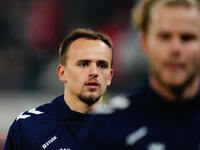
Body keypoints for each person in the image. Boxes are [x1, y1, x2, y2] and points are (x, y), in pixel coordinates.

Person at [78, 0, 200, 150]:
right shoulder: (106, 126)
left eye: (187, 38)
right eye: (164, 37)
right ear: (144, 42)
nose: (175, 48)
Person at [3, 28, 114, 150]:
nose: (94, 72)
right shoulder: (28, 127)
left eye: (102, 65)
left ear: (110, 76)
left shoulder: (127, 128)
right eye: (84, 64)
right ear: (62, 73)